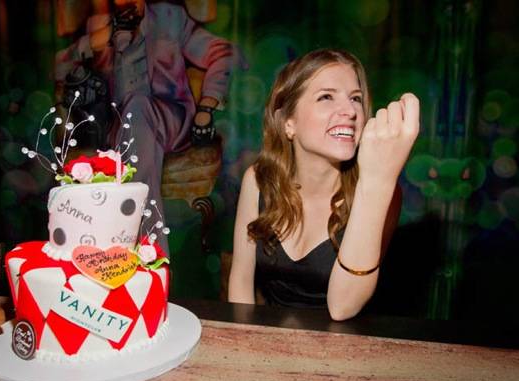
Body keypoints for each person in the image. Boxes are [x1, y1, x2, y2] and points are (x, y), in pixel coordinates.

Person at [227, 48, 419, 321]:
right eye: (326, 97)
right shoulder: (259, 180)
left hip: (344, 343)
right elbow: (241, 281)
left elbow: (342, 308)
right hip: (269, 338)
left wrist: (378, 182)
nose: (350, 111)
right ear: (288, 123)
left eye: (356, 98)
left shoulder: (380, 192)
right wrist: (245, 342)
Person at [55, 0, 241, 253]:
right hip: (118, 128)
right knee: (134, 114)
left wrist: (207, 105)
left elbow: (223, 52)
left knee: (138, 106)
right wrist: (101, 38)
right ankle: (148, 251)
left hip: (170, 118)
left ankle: (141, 247)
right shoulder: (98, 27)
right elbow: (59, 65)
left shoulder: (169, 17)